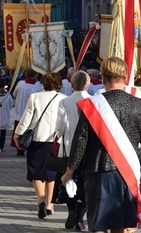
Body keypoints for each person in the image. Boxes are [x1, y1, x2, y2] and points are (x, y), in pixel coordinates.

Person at [62, 57, 141, 233]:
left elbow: (81, 141)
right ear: (125, 77)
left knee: (98, 225)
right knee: (122, 225)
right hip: (127, 172)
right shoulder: (138, 104)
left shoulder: (92, 105)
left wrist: (70, 170)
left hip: (97, 171)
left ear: (102, 77)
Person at [14, 72, 66, 219]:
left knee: (36, 172)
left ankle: (40, 201)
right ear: (58, 84)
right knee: (52, 174)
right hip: (56, 141)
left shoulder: (35, 97)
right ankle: (49, 204)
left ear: (43, 83)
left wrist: (18, 133)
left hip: (38, 140)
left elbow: (27, 118)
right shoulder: (64, 99)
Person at [55, 70, 91, 231]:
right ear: (88, 84)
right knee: (85, 184)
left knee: (69, 181)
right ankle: (80, 217)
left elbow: (60, 129)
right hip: (88, 150)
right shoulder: (93, 101)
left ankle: (71, 210)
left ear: (71, 84)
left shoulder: (64, 102)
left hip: (69, 148)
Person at [12, 69, 42, 156]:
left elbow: (14, 94)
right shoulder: (38, 86)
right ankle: (28, 146)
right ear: (35, 76)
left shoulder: (20, 84)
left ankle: (19, 149)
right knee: (29, 131)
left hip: (20, 111)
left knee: (20, 130)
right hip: (31, 112)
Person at [0, 77, 14, 151]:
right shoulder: (8, 96)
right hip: (5, 116)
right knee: (3, 132)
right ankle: (1, 146)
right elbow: (12, 104)